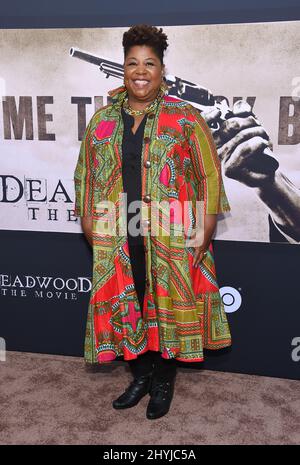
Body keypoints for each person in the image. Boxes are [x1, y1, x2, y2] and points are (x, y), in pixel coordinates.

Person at [73, 24, 232, 420]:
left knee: (164, 303)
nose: (140, 71)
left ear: (161, 70)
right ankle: (140, 374)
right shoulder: (102, 121)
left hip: (169, 230)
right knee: (128, 301)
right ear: (123, 69)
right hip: (117, 231)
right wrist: (87, 217)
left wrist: (207, 220)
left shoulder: (184, 118)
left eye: (149, 63)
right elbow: (86, 174)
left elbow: (209, 172)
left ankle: (163, 379)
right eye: (132, 63)